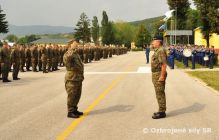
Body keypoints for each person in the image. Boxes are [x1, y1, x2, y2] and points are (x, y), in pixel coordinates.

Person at [63, 41, 84, 118]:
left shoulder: (76, 54)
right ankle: (70, 111)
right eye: (74, 43)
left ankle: (75, 109)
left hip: (78, 77)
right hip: (72, 78)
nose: (77, 44)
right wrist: (72, 49)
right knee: (71, 95)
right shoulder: (68, 53)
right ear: (70, 45)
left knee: (77, 95)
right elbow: (67, 61)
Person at [151, 36, 167, 119]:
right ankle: (161, 110)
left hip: (159, 74)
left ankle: (162, 112)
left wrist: (162, 76)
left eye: (154, 41)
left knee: (160, 93)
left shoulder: (160, 50)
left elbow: (164, 64)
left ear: (158, 42)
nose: (152, 42)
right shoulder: (157, 50)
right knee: (158, 93)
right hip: (156, 74)